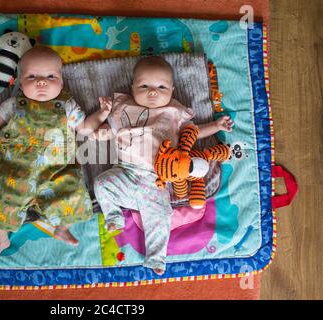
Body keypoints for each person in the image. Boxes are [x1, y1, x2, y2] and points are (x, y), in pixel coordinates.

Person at [0, 46, 111, 261]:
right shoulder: (15, 104)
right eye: (32, 76)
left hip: (56, 172)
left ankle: (62, 228)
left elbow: (84, 127)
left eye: (50, 76)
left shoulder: (67, 106)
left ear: (62, 82)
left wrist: (101, 115)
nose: (41, 82)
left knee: (74, 195)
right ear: (19, 81)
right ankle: (2, 239)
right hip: (13, 171)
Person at [92, 56, 233, 275]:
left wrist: (216, 126)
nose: (152, 92)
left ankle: (156, 256)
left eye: (161, 87)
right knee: (101, 183)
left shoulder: (174, 113)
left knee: (160, 216)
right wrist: (101, 132)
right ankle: (113, 215)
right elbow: (110, 130)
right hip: (126, 172)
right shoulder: (124, 107)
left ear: (172, 89)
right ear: (132, 87)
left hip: (155, 180)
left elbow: (193, 134)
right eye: (144, 86)